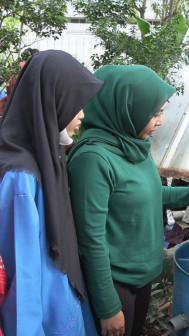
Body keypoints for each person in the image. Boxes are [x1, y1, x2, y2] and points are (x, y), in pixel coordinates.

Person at [67, 64, 189, 336]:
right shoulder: (94, 159)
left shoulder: (135, 145)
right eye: (155, 113)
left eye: (161, 112)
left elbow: (146, 194)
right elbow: (90, 238)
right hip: (115, 284)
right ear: (125, 108)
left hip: (142, 277)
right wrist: (108, 306)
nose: (160, 121)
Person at [0, 50, 104, 335]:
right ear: (51, 101)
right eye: (76, 104)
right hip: (42, 318)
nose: (82, 113)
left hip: (62, 301)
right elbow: (21, 273)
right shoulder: (21, 177)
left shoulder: (49, 154)